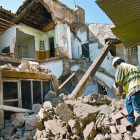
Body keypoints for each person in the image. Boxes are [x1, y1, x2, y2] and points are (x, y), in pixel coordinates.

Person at [112, 57, 140, 125]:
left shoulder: (120, 66)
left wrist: (118, 87)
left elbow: (118, 80)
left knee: (137, 107)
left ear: (116, 64)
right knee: (128, 103)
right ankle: (131, 120)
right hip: (135, 88)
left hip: (133, 88)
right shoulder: (134, 67)